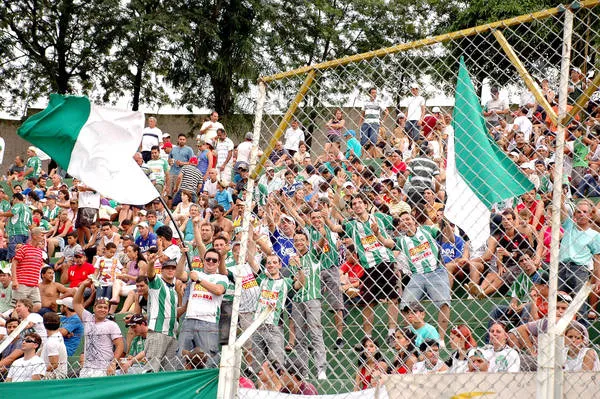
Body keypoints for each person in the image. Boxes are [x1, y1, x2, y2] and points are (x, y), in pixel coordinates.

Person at [325, 194, 398, 341]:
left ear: (365, 204)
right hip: (369, 266)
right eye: (354, 204)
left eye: (360, 202)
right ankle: (368, 336)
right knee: (367, 302)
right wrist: (325, 216)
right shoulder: (352, 224)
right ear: (352, 209)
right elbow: (334, 227)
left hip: (386, 262)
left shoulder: (379, 217)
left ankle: (392, 332)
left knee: (393, 298)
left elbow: (397, 222)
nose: (357, 205)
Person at [396, 212, 451, 343]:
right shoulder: (401, 241)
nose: (406, 222)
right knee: (405, 305)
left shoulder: (427, 229)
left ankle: (441, 340)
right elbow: (390, 248)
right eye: (402, 221)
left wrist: (446, 222)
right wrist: (378, 235)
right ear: (400, 226)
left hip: (436, 271)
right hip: (417, 275)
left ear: (414, 220)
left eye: (408, 219)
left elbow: (448, 238)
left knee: (444, 303)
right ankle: (411, 338)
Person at [178, 249, 228, 367]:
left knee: (207, 360)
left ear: (218, 263)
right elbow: (179, 274)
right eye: (208, 259)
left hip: (208, 323)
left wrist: (199, 280)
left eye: (214, 260)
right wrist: (183, 256)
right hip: (189, 320)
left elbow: (218, 290)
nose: (210, 262)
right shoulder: (195, 273)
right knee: (181, 358)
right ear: (203, 261)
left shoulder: (221, 278)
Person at [289, 230, 327, 379]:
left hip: (312, 299)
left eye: (302, 239)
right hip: (298, 300)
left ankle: (321, 369)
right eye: (296, 240)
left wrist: (323, 231)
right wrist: (297, 267)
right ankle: (302, 371)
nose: (299, 242)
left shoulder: (313, 255)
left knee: (316, 333)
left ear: (307, 241)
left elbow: (321, 244)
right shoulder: (293, 260)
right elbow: (295, 284)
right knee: (299, 337)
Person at [73, 280, 124, 377]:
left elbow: (120, 345)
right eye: (100, 307)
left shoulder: (112, 325)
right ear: (94, 308)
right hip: (87, 369)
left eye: (105, 308)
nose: (103, 310)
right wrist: (83, 285)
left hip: (103, 369)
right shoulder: (88, 318)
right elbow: (76, 303)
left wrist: (113, 363)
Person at [11, 227, 45, 312]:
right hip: (22, 283)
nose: (43, 237)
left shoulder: (39, 251)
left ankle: (26, 322)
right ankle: (16, 324)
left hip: (34, 284)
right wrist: (15, 280)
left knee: (37, 305)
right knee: (18, 307)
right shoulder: (24, 248)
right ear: (34, 236)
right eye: (41, 234)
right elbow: (14, 263)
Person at [0, 193, 32, 260]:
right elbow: (30, 224)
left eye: (13, 199)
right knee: (22, 254)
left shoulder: (18, 205)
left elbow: (12, 213)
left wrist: (2, 214)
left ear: (16, 199)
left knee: (13, 255)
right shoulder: (28, 209)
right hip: (25, 233)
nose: (12, 201)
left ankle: (12, 268)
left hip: (16, 233)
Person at [358, 88, 388, 158]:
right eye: (372, 92)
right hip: (366, 123)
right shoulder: (365, 102)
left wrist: (382, 121)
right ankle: (360, 157)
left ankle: (370, 157)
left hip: (375, 124)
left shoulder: (379, 102)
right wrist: (359, 123)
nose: (374, 94)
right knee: (363, 141)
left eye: (375, 92)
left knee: (373, 141)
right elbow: (362, 114)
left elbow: (387, 112)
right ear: (369, 94)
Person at [41, 312, 68, 379]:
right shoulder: (58, 334)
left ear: (44, 324)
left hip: (54, 377)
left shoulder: (52, 342)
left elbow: (54, 364)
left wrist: (40, 374)